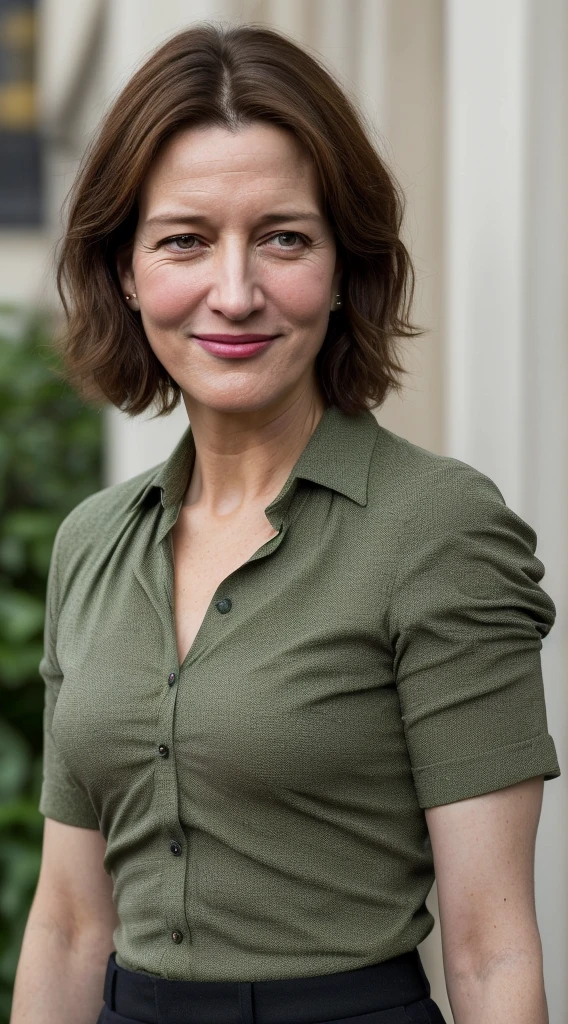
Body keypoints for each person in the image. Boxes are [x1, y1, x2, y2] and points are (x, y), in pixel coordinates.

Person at [11, 22, 560, 1024]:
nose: (234, 291)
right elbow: (68, 923)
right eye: (184, 239)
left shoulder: (437, 530)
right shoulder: (92, 543)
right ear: (126, 271)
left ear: (345, 267)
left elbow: (491, 950)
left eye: (283, 238)